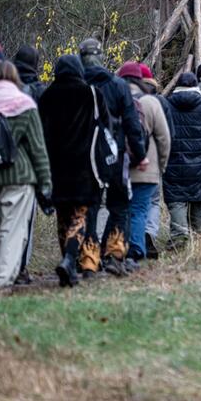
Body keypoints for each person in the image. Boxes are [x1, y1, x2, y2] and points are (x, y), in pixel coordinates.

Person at [0, 61, 51, 290]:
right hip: (20, 176)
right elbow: (37, 148)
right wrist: (45, 181)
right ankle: (1, 281)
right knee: (13, 231)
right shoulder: (24, 104)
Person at [79, 38, 146, 276]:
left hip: (84, 157)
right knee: (120, 204)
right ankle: (114, 255)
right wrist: (139, 154)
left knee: (90, 208)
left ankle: (88, 260)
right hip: (115, 154)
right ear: (101, 56)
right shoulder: (118, 86)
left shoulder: (76, 86)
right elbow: (132, 125)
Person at [39, 55, 103, 286]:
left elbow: (41, 136)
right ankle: (68, 259)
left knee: (63, 216)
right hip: (84, 167)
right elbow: (102, 129)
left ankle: (67, 263)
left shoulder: (46, 96)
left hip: (56, 168)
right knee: (80, 216)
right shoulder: (91, 94)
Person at [118, 62, 171, 266]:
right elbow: (164, 138)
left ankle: (115, 249)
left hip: (118, 167)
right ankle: (136, 251)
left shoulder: (114, 99)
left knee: (120, 210)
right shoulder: (151, 102)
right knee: (140, 209)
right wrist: (161, 167)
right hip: (146, 168)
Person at [163, 73, 201, 244]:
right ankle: (198, 233)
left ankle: (179, 235)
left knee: (176, 197)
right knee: (197, 197)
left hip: (173, 159)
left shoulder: (167, 104)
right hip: (198, 160)